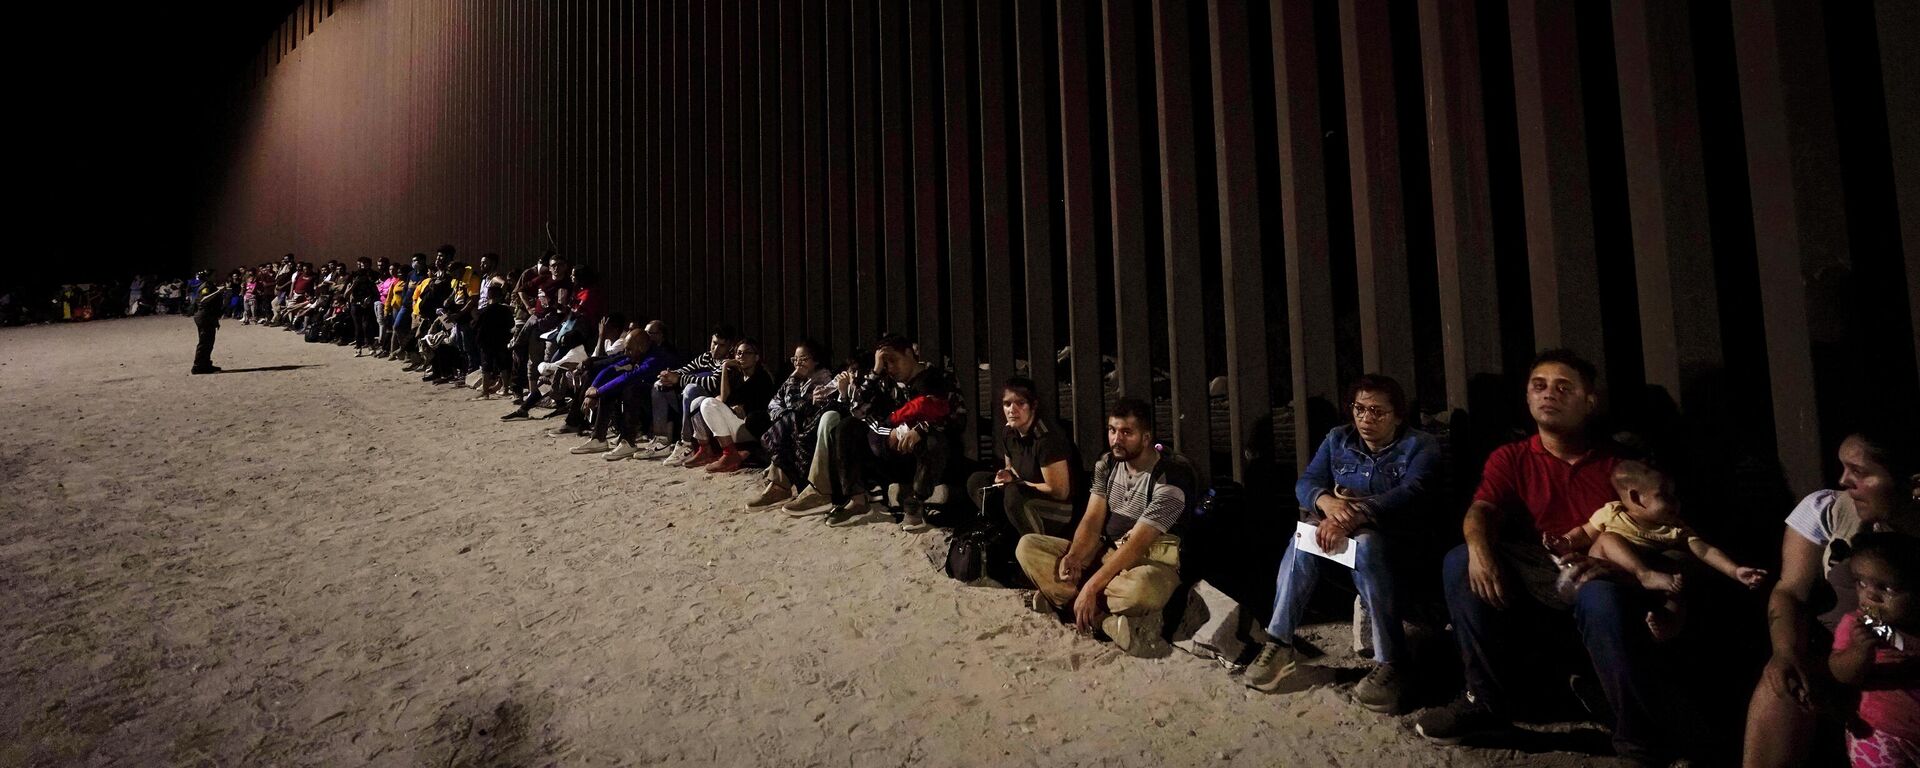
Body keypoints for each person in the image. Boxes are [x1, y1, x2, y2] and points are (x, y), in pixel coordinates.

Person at [1414, 349, 1705, 764]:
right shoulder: (1512, 456)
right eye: (1539, 385)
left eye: (1563, 387)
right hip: (1536, 570)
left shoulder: (1622, 468)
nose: (1548, 394)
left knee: (1598, 594)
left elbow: (1671, 539)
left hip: (1599, 575)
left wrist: (1620, 569)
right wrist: (1480, 550)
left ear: (1590, 401)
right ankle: (1484, 700)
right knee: (1459, 560)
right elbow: (1482, 511)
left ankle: (1636, 741)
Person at [1243, 374, 1439, 713]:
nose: (1365, 419)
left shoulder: (1420, 445)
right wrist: (1327, 505)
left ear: (1397, 415)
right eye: (1359, 409)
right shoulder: (1338, 439)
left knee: (1368, 545)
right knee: (1302, 539)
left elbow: (1411, 493)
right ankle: (1279, 642)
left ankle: (1391, 661)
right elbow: (1307, 482)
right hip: (1346, 531)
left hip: (1399, 539)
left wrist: (1354, 513)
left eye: (1377, 411)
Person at [1746, 428, 1920, 767]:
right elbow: (1789, 591)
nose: (1844, 480)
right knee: (1782, 681)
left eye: (1860, 472)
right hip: (1843, 662)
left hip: (1907, 667)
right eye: (1843, 468)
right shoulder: (1830, 510)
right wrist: (1785, 651)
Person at [1013, 397, 1196, 657]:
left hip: (1149, 563)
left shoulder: (1171, 478)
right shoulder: (1107, 464)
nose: (1116, 439)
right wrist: (1075, 556)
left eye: (1126, 432)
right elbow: (1091, 519)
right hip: (1105, 553)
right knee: (1028, 546)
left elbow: (1137, 545)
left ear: (1145, 438)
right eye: (1112, 430)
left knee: (1141, 589)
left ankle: (1070, 603)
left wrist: (1090, 587)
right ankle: (1103, 620)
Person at [1544, 460, 1770, 639]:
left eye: (1675, 495)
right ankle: (1645, 574)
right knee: (1607, 538)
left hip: (1649, 583)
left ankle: (1667, 626)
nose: (1675, 503)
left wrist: (1735, 571)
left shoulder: (1674, 529)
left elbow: (1705, 550)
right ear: (1636, 497)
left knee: (1676, 588)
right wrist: (1565, 542)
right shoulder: (1613, 513)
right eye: (1665, 495)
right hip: (1609, 572)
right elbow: (1584, 533)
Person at [789, 334, 965, 532]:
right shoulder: (885, 381)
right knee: (847, 427)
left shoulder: (938, 377)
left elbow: (957, 419)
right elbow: (858, 410)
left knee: (934, 440)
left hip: (926, 454)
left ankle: (916, 502)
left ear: (909, 353)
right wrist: (874, 372)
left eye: (893, 360)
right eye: (885, 362)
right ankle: (857, 499)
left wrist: (922, 429)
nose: (890, 367)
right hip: (891, 450)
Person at [1826, 531, 1920, 768]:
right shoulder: (1856, 624)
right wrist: (1859, 652)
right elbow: (1840, 673)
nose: (1870, 595)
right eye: (1861, 583)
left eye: (1887, 588)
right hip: (1879, 731)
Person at [965, 377, 1078, 537]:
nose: (1012, 409)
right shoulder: (1009, 432)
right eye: (1007, 404)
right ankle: (1003, 535)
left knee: (1013, 495)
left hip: (1057, 508)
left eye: (1020, 403)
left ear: (1033, 406)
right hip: (1022, 491)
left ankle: (1035, 546)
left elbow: (1059, 491)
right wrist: (1004, 475)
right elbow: (1010, 467)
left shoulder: (1046, 439)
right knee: (977, 481)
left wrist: (1018, 483)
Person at [745, 339, 835, 509]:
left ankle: (780, 484)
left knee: (787, 421)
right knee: (763, 420)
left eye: (803, 359)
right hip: (788, 425)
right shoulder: (799, 379)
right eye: (795, 360)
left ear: (816, 360)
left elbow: (794, 405)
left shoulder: (822, 380)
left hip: (807, 430)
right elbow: (774, 403)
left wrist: (794, 380)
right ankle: (779, 483)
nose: (798, 364)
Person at [571, 329, 673, 457]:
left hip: (665, 404)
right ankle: (598, 438)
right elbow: (610, 369)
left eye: (629, 349)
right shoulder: (637, 353)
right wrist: (593, 389)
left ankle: (628, 442)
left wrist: (597, 392)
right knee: (611, 390)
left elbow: (629, 377)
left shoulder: (655, 358)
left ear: (641, 347)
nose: (626, 353)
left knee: (631, 388)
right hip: (648, 399)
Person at [643, 326, 739, 462]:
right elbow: (686, 369)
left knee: (691, 389)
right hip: (691, 407)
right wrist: (668, 375)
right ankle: (662, 441)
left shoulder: (729, 363)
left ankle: (687, 443)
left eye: (721, 345)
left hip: (711, 411)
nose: (716, 348)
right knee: (658, 386)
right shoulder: (707, 356)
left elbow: (712, 383)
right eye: (714, 343)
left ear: (730, 347)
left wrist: (678, 379)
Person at [682, 338, 777, 473]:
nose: (741, 357)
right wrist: (725, 368)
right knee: (698, 402)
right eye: (738, 353)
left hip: (751, 427)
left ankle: (729, 454)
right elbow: (724, 398)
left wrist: (737, 407)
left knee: (708, 403)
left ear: (756, 357)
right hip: (734, 422)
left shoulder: (762, 377)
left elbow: (760, 408)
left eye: (746, 353)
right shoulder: (737, 375)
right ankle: (705, 450)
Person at [190, 271, 227, 374]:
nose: (216, 276)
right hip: (204, 316)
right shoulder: (205, 286)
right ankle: (197, 366)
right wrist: (218, 292)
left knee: (209, 342)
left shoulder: (210, 285)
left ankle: (206, 364)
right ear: (208, 277)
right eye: (214, 275)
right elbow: (204, 300)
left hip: (209, 316)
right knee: (204, 342)